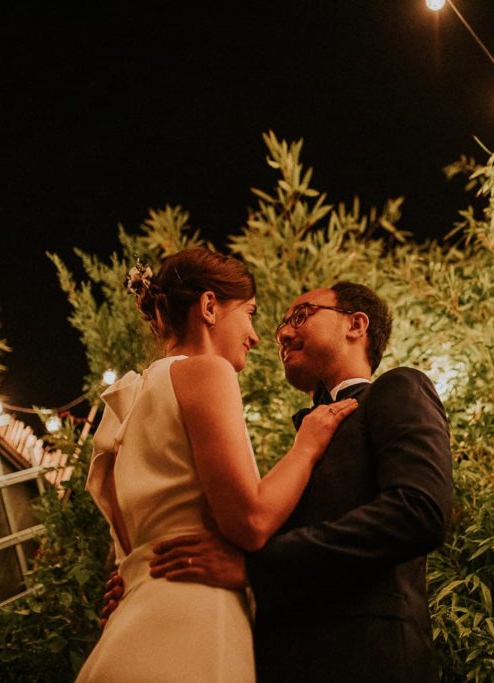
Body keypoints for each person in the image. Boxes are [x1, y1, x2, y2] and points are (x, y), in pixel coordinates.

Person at [75, 248, 358, 683]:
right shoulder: (207, 372)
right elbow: (250, 520)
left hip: (134, 621)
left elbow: (130, 551)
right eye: (250, 313)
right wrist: (306, 446)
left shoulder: (128, 403)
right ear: (209, 307)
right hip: (195, 620)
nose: (257, 335)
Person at [150, 282, 454, 682]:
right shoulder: (299, 447)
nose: (282, 333)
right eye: (281, 325)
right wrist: (149, 581)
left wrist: (258, 568)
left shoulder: (400, 388)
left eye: (300, 315)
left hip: (368, 660)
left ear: (355, 325)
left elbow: (419, 511)